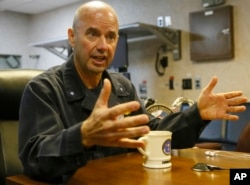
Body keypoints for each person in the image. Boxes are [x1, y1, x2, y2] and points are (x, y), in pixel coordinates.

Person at [18, 0, 247, 184]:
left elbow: (152, 134)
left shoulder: (122, 87)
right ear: (72, 36)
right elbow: (34, 159)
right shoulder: (43, 89)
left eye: (110, 37)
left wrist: (197, 114)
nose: (103, 46)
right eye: (92, 34)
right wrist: (82, 136)